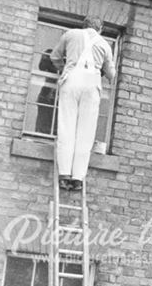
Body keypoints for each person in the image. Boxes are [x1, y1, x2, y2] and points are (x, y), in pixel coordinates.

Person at [50, 15, 116, 191]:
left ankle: (64, 174)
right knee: (85, 133)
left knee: (67, 127)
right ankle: (78, 177)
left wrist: (63, 68)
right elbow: (111, 74)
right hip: (92, 84)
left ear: (83, 25)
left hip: (71, 79)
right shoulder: (104, 44)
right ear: (100, 28)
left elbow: (55, 57)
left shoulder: (70, 34)